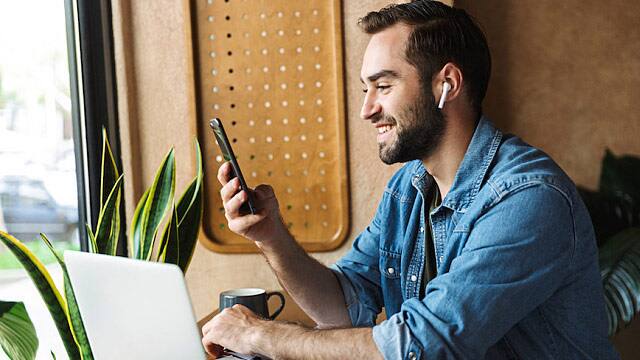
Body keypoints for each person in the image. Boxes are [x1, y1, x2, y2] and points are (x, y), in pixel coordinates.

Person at [201, 1, 619, 359]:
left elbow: (425, 344)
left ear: (447, 84)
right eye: (367, 88)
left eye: (383, 85)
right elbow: (344, 307)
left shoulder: (528, 200)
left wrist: (262, 335)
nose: (367, 109)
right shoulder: (410, 187)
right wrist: (270, 234)